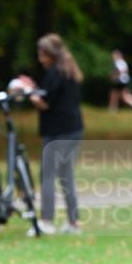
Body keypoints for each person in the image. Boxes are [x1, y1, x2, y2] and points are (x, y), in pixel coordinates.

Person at [20, 33, 84, 236]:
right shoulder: (68, 70)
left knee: (47, 175)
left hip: (58, 132)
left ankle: (46, 221)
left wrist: (28, 92)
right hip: (74, 129)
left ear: (50, 54)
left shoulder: (55, 73)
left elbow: (44, 103)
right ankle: (74, 222)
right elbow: (50, 94)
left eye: (42, 54)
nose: (40, 59)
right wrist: (34, 88)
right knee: (66, 176)